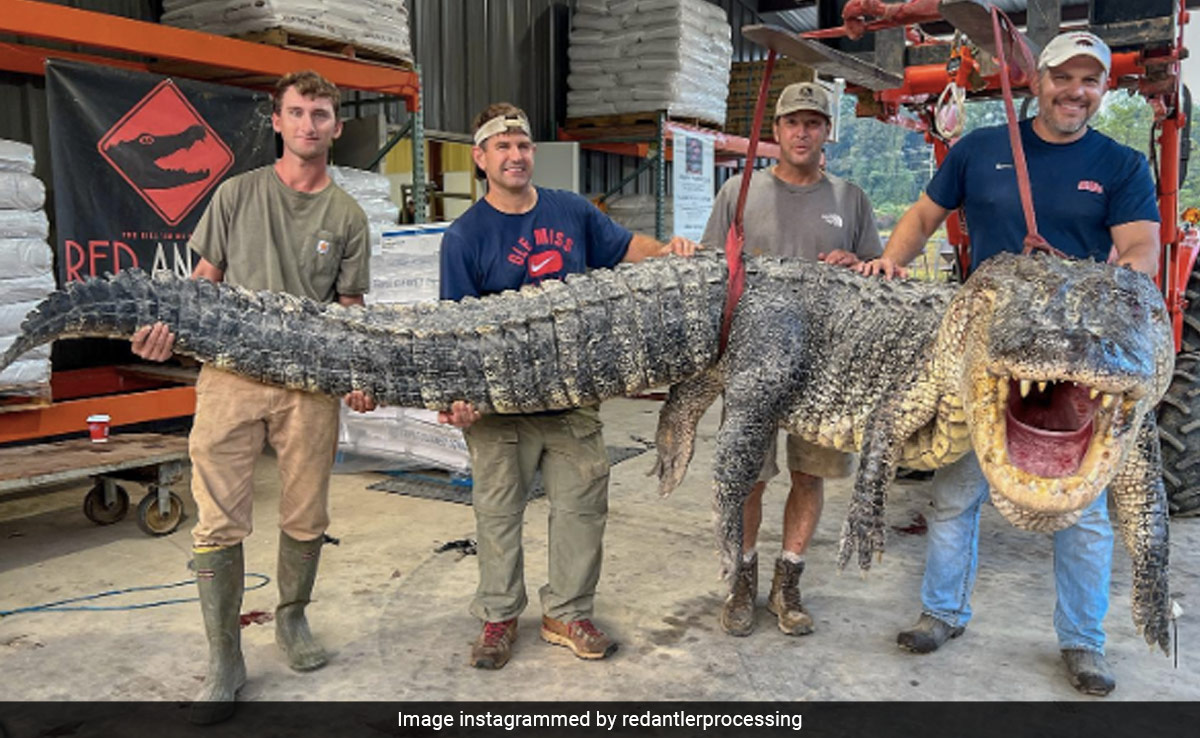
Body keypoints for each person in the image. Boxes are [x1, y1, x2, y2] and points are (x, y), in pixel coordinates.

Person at [857, 31, 1159, 696]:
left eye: (1090, 81)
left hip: (1074, 357)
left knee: (1079, 510)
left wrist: (1108, 293)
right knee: (955, 489)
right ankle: (941, 612)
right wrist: (892, 261)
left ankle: (1083, 642)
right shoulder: (981, 150)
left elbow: (1141, 251)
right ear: (1036, 81)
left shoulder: (1121, 165)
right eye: (1063, 78)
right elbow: (924, 214)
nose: (1075, 92)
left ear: (1103, 89)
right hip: (988, 356)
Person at [130, 70, 375, 722]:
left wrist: (359, 373)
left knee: (306, 515)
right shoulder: (236, 196)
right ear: (277, 120)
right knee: (217, 519)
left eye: (321, 114)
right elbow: (200, 287)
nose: (308, 125)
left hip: (309, 387)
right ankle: (224, 658)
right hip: (231, 381)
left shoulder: (346, 217)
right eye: (297, 112)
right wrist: (166, 330)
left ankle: (291, 619)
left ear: (336, 126)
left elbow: (349, 309)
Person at [438, 102, 699, 670]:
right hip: (499, 408)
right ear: (480, 158)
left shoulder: (571, 210)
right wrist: (457, 400)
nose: (515, 155)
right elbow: (454, 331)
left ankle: (568, 611)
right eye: (502, 146)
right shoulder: (464, 237)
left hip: (572, 398)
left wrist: (670, 250)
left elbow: (627, 247)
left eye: (523, 145)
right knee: (498, 513)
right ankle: (499, 617)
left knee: (582, 507)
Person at [700, 82, 881, 638]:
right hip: (752, 363)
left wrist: (857, 263)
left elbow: (877, 277)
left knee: (810, 475)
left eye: (814, 122)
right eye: (792, 122)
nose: (802, 132)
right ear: (776, 131)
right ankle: (742, 579)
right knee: (748, 477)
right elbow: (710, 275)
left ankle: (788, 581)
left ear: (827, 131)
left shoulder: (851, 199)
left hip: (825, 369)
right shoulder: (739, 192)